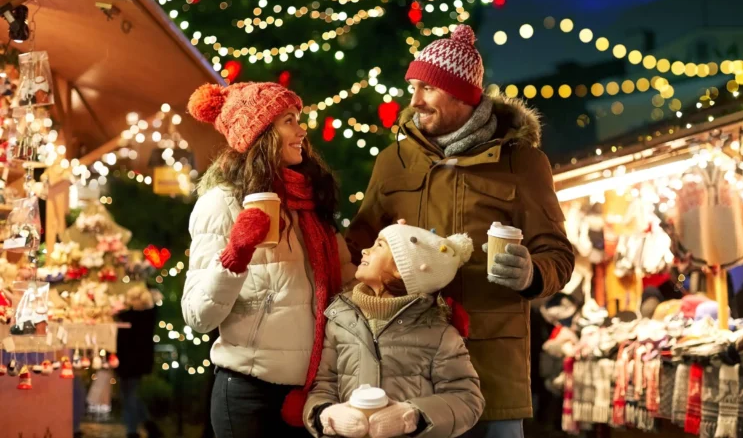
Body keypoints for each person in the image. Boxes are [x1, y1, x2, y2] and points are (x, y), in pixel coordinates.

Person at [346, 25, 575, 438]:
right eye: (412, 87)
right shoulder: (392, 161)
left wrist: (531, 273)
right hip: (409, 371)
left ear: (462, 94)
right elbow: (356, 249)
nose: (414, 101)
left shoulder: (521, 162)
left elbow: (557, 253)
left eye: (427, 89)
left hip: (491, 369)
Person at [182, 81, 355, 438]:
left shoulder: (312, 199)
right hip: (249, 395)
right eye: (289, 120)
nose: (301, 130)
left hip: (314, 394)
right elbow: (198, 316)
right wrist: (236, 256)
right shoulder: (222, 203)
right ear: (260, 133)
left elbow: (348, 283)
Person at [304, 221, 485, 438]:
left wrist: (412, 416)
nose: (365, 250)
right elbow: (324, 386)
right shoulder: (339, 320)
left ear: (401, 269)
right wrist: (326, 415)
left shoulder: (439, 334)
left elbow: (466, 398)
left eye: (379, 246)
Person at [116, 285, 159, 438]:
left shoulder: (132, 317)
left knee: (130, 396)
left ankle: (132, 430)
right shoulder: (147, 316)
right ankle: (148, 424)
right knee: (131, 395)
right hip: (135, 362)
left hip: (130, 361)